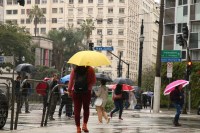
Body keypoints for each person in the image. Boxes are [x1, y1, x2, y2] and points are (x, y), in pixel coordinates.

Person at [68, 66, 96, 133]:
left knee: (77, 109)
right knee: (86, 108)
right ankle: (85, 125)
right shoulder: (90, 69)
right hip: (87, 91)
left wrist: (69, 91)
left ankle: (78, 128)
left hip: (76, 92)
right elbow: (94, 81)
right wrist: (88, 85)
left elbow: (71, 81)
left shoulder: (74, 70)